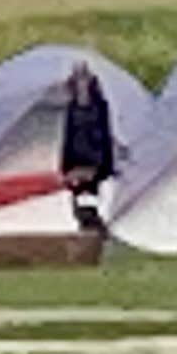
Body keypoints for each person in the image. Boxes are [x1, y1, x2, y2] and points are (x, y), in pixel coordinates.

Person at [57, 63, 121, 240]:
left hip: (86, 161)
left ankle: (84, 91)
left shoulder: (85, 208)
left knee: (84, 125)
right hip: (92, 161)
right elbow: (95, 176)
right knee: (88, 125)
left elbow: (81, 181)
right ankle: (85, 91)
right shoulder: (96, 203)